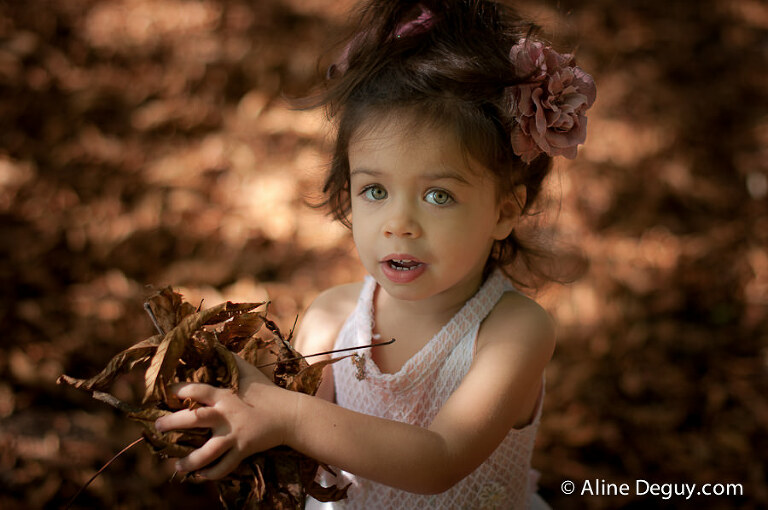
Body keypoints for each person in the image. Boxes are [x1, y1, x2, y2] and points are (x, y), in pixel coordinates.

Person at [154, 0, 596, 508]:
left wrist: (287, 414)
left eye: (438, 195)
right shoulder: (332, 317)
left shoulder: (512, 331)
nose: (399, 225)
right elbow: (297, 451)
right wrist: (234, 414)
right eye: (374, 191)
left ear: (504, 209)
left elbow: (439, 460)